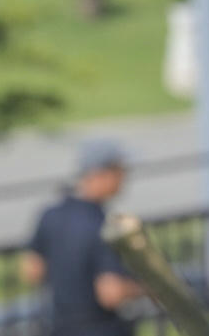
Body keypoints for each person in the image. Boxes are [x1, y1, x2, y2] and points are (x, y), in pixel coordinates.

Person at [22, 139, 145, 336]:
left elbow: (32, 271)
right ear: (102, 174)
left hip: (59, 327)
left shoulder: (50, 215)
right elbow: (110, 293)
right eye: (121, 171)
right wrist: (145, 289)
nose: (124, 178)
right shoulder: (103, 226)